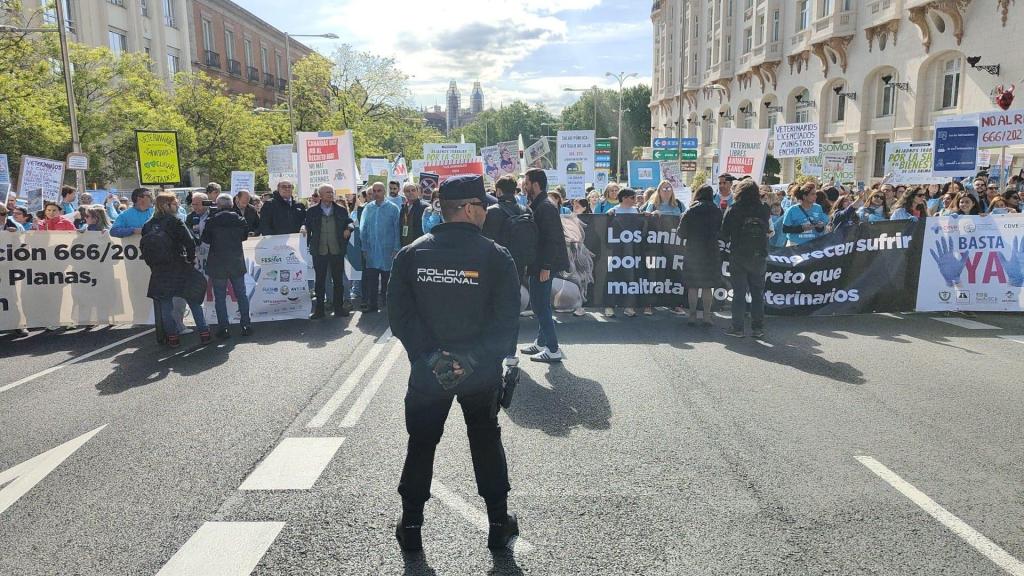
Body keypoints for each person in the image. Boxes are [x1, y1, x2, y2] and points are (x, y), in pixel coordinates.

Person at [388, 174, 521, 553]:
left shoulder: (412, 254)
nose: (486, 213)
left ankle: (410, 524)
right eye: (482, 206)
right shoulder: (495, 256)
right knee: (485, 439)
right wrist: (472, 358)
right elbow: (507, 318)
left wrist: (432, 357)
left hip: (429, 374)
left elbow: (399, 316)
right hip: (478, 374)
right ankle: (498, 522)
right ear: (467, 209)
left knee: (422, 444)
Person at [142, 192, 210, 348]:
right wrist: (191, 259)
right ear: (166, 205)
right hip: (179, 267)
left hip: (159, 271)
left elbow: (144, 250)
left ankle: (173, 338)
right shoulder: (175, 221)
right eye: (175, 203)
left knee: (166, 306)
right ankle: (204, 334)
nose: (178, 205)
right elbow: (190, 242)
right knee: (193, 301)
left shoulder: (148, 225)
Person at [519, 168, 567, 362]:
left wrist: (546, 266)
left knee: (539, 306)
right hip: (539, 263)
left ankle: (553, 349)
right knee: (541, 304)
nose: (523, 185)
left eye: (526, 182)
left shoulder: (545, 206)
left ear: (536, 184)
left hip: (544, 264)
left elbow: (553, 239)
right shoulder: (540, 204)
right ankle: (541, 342)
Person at [721, 180, 771, 338]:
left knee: (739, 293)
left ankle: (737, 328)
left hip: (739, 254)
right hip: (759, 254)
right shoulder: (764, 208)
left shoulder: (734, 208)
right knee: (757, 293)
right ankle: (758, 328)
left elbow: (724, 231)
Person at [201, 193, 252, 338]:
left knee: (220, 296)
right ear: (231, 205)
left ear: (218, 205)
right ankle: (246, 324)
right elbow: (244, 237)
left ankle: (223, 328)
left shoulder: (212, 220)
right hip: (236, 261)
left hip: (218, 262)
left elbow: (206, 239)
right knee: (241, 294)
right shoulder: (240, 219)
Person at [304, 184, 354, 319]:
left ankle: (339, 308)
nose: (330, 194)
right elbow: (306, 225)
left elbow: (350, 222)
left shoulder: (341, 210)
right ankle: (319, 310)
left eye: (332, 192)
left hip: (336, 250)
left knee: (338, 281)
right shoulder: (312, 211)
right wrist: (303, 228)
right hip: (319, 251)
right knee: (319, 282)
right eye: (327, 192)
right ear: (320, 195)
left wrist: (348, 229)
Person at [678, 186, 722, 326]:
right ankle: (707, 316)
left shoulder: (691, 210)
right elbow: (721, 230)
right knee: (708, 286)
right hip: (711, 251)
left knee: (693, 285)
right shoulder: (716, 210)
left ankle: (692, 315)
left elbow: (681, 233)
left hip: (693, 251)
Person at [360, 182, 401, 312]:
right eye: (374, 191)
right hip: (372, 250)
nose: (376, 193)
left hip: (388, 250)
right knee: (372, 280)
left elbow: (396, 229)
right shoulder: (368, 208)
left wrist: (396, 248)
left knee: (387, 280)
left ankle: (387, 304)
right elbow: (363, 229)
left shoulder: (393, 208)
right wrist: (365, 248)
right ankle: (373, 305)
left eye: (379, 191)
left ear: (384, 192)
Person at [400, 182, 429, 247]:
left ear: (417, 192)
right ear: (404, 193)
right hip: (405, 245)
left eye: (413, 190)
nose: (411, 192)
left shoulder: (425, 207)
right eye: (408, 191)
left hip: (421, 245)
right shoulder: (403, 208)